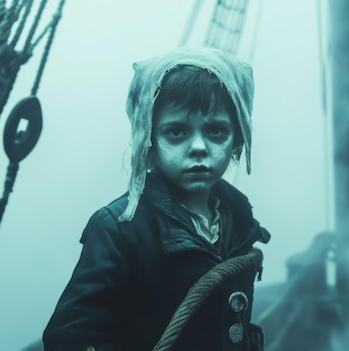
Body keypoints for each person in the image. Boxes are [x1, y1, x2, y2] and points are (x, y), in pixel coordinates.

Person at [42, 46, 271, 351]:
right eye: (177, 132)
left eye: (216, 131)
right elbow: (74, 334)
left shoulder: (238, 222)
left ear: (237, 138)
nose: (199, 147)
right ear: (148, 140)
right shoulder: (119, 228)